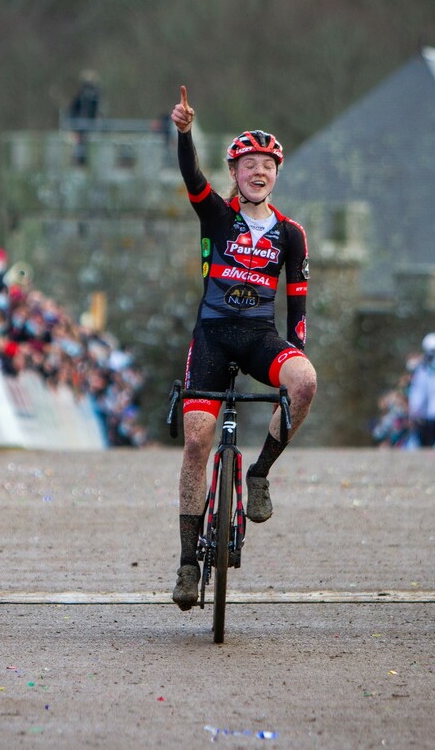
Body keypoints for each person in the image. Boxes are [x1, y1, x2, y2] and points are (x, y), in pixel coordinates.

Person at [168, 86, 317, 610]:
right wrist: (184, 134)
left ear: (276, 175)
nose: (260, 171)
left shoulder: (290, 234)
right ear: (234, 172)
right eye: (250, 163)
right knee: (195, 445)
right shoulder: (217, 216)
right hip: (211, 336)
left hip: (259, 337)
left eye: (268, 165)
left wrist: (293, 359)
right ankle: (188, 562)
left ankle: (257, 475)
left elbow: (296, 312)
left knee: (306, 381)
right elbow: (191, 178)